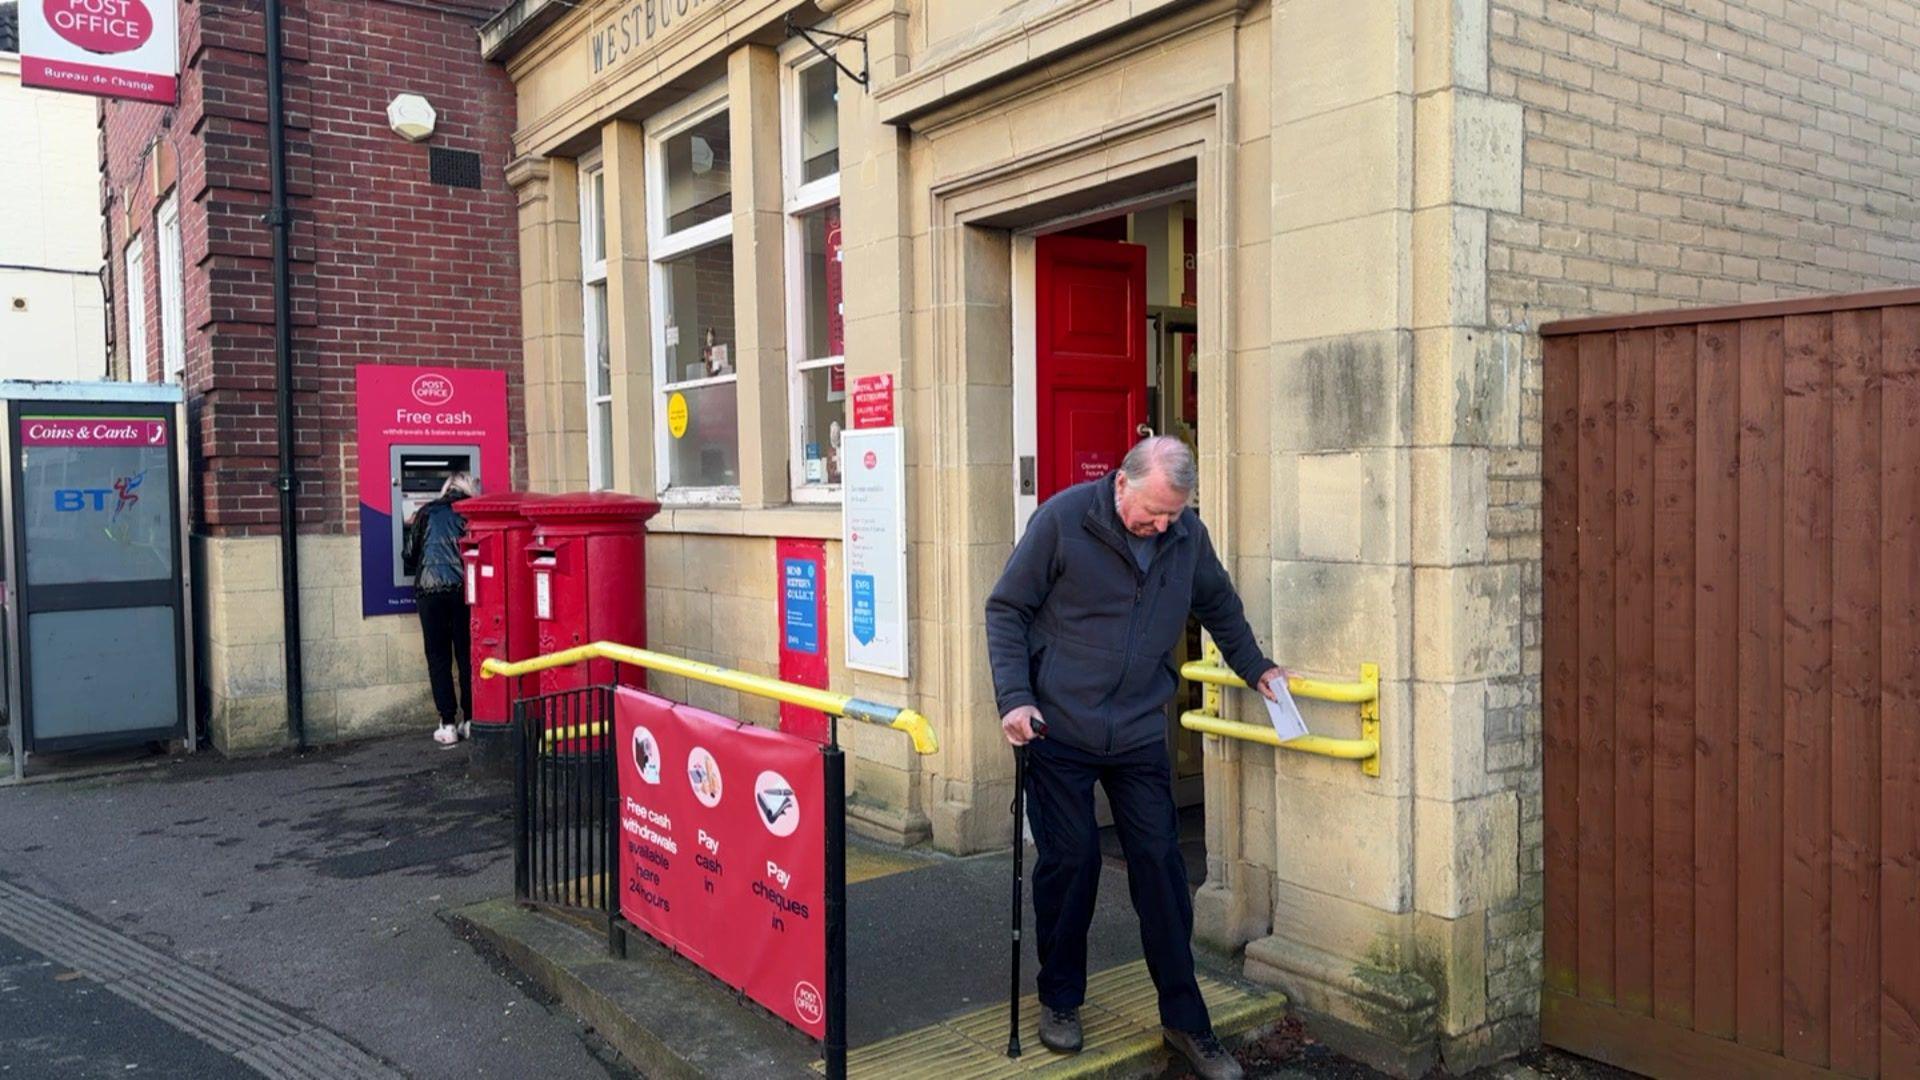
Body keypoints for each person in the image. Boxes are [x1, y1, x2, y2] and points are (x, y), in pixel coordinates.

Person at [985, 436, 1283, 1080]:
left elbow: (1219, 606)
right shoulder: (1063, 521)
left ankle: (1185, 1018)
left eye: (1173, 515)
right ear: (1122, 482)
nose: (1160, 525)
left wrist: (1256, 667)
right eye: (1152, 512)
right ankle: (1060, 999)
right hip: (1057, 727)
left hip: (1140, 728)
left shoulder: (1186, 536)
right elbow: (1006, 608)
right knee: (1072, 861)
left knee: (1161, 868)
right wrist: (1014, 697)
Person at [402, 471, 477, 748]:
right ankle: (470, 720)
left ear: (445, 489)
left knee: (438, 657)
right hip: (463, 590)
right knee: (467, 654)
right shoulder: (471, 512)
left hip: (430, 591)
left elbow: (409, 555)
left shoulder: (425, 512)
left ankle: (447, 724)